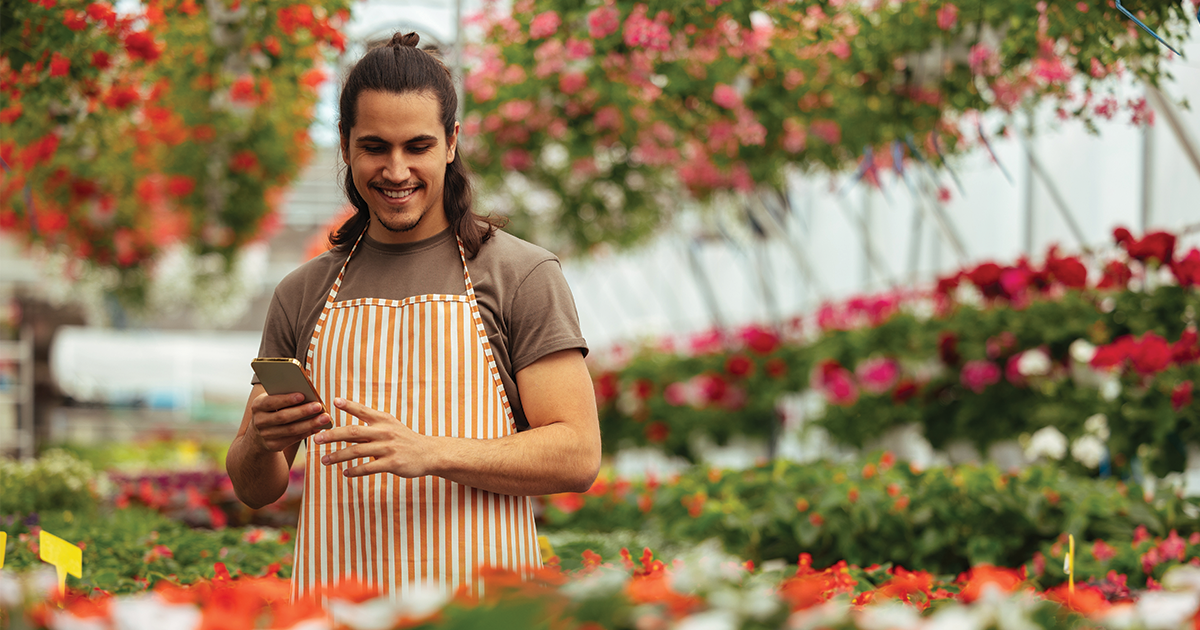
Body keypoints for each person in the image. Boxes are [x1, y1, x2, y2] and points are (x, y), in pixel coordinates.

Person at [225, 31, 601, 599]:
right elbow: (258, 489)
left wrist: (431, 451)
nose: (396, 171)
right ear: (345, 146)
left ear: (451, 143)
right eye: (375, 147)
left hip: (478, 607)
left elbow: (576, 453)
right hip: (338, 604)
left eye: (417, 147)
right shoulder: (302, 292)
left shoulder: (520, 273)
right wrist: (258, 440)